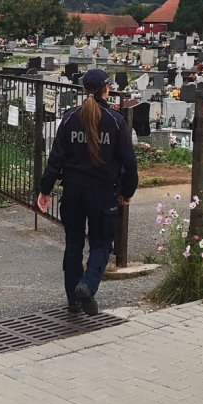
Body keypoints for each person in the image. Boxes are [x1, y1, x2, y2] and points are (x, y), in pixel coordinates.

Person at [37, 69, 138, 315]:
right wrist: (127, 191)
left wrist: (45, 189)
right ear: (106, 89)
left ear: (84, 90)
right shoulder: (115, 120)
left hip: (72, 191)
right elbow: (129, 162)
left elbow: (56, 158)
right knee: (101, 244)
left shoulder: (70, 118)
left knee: (73, 244)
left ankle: (73, 299)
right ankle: (87, 286)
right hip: (103, 193)